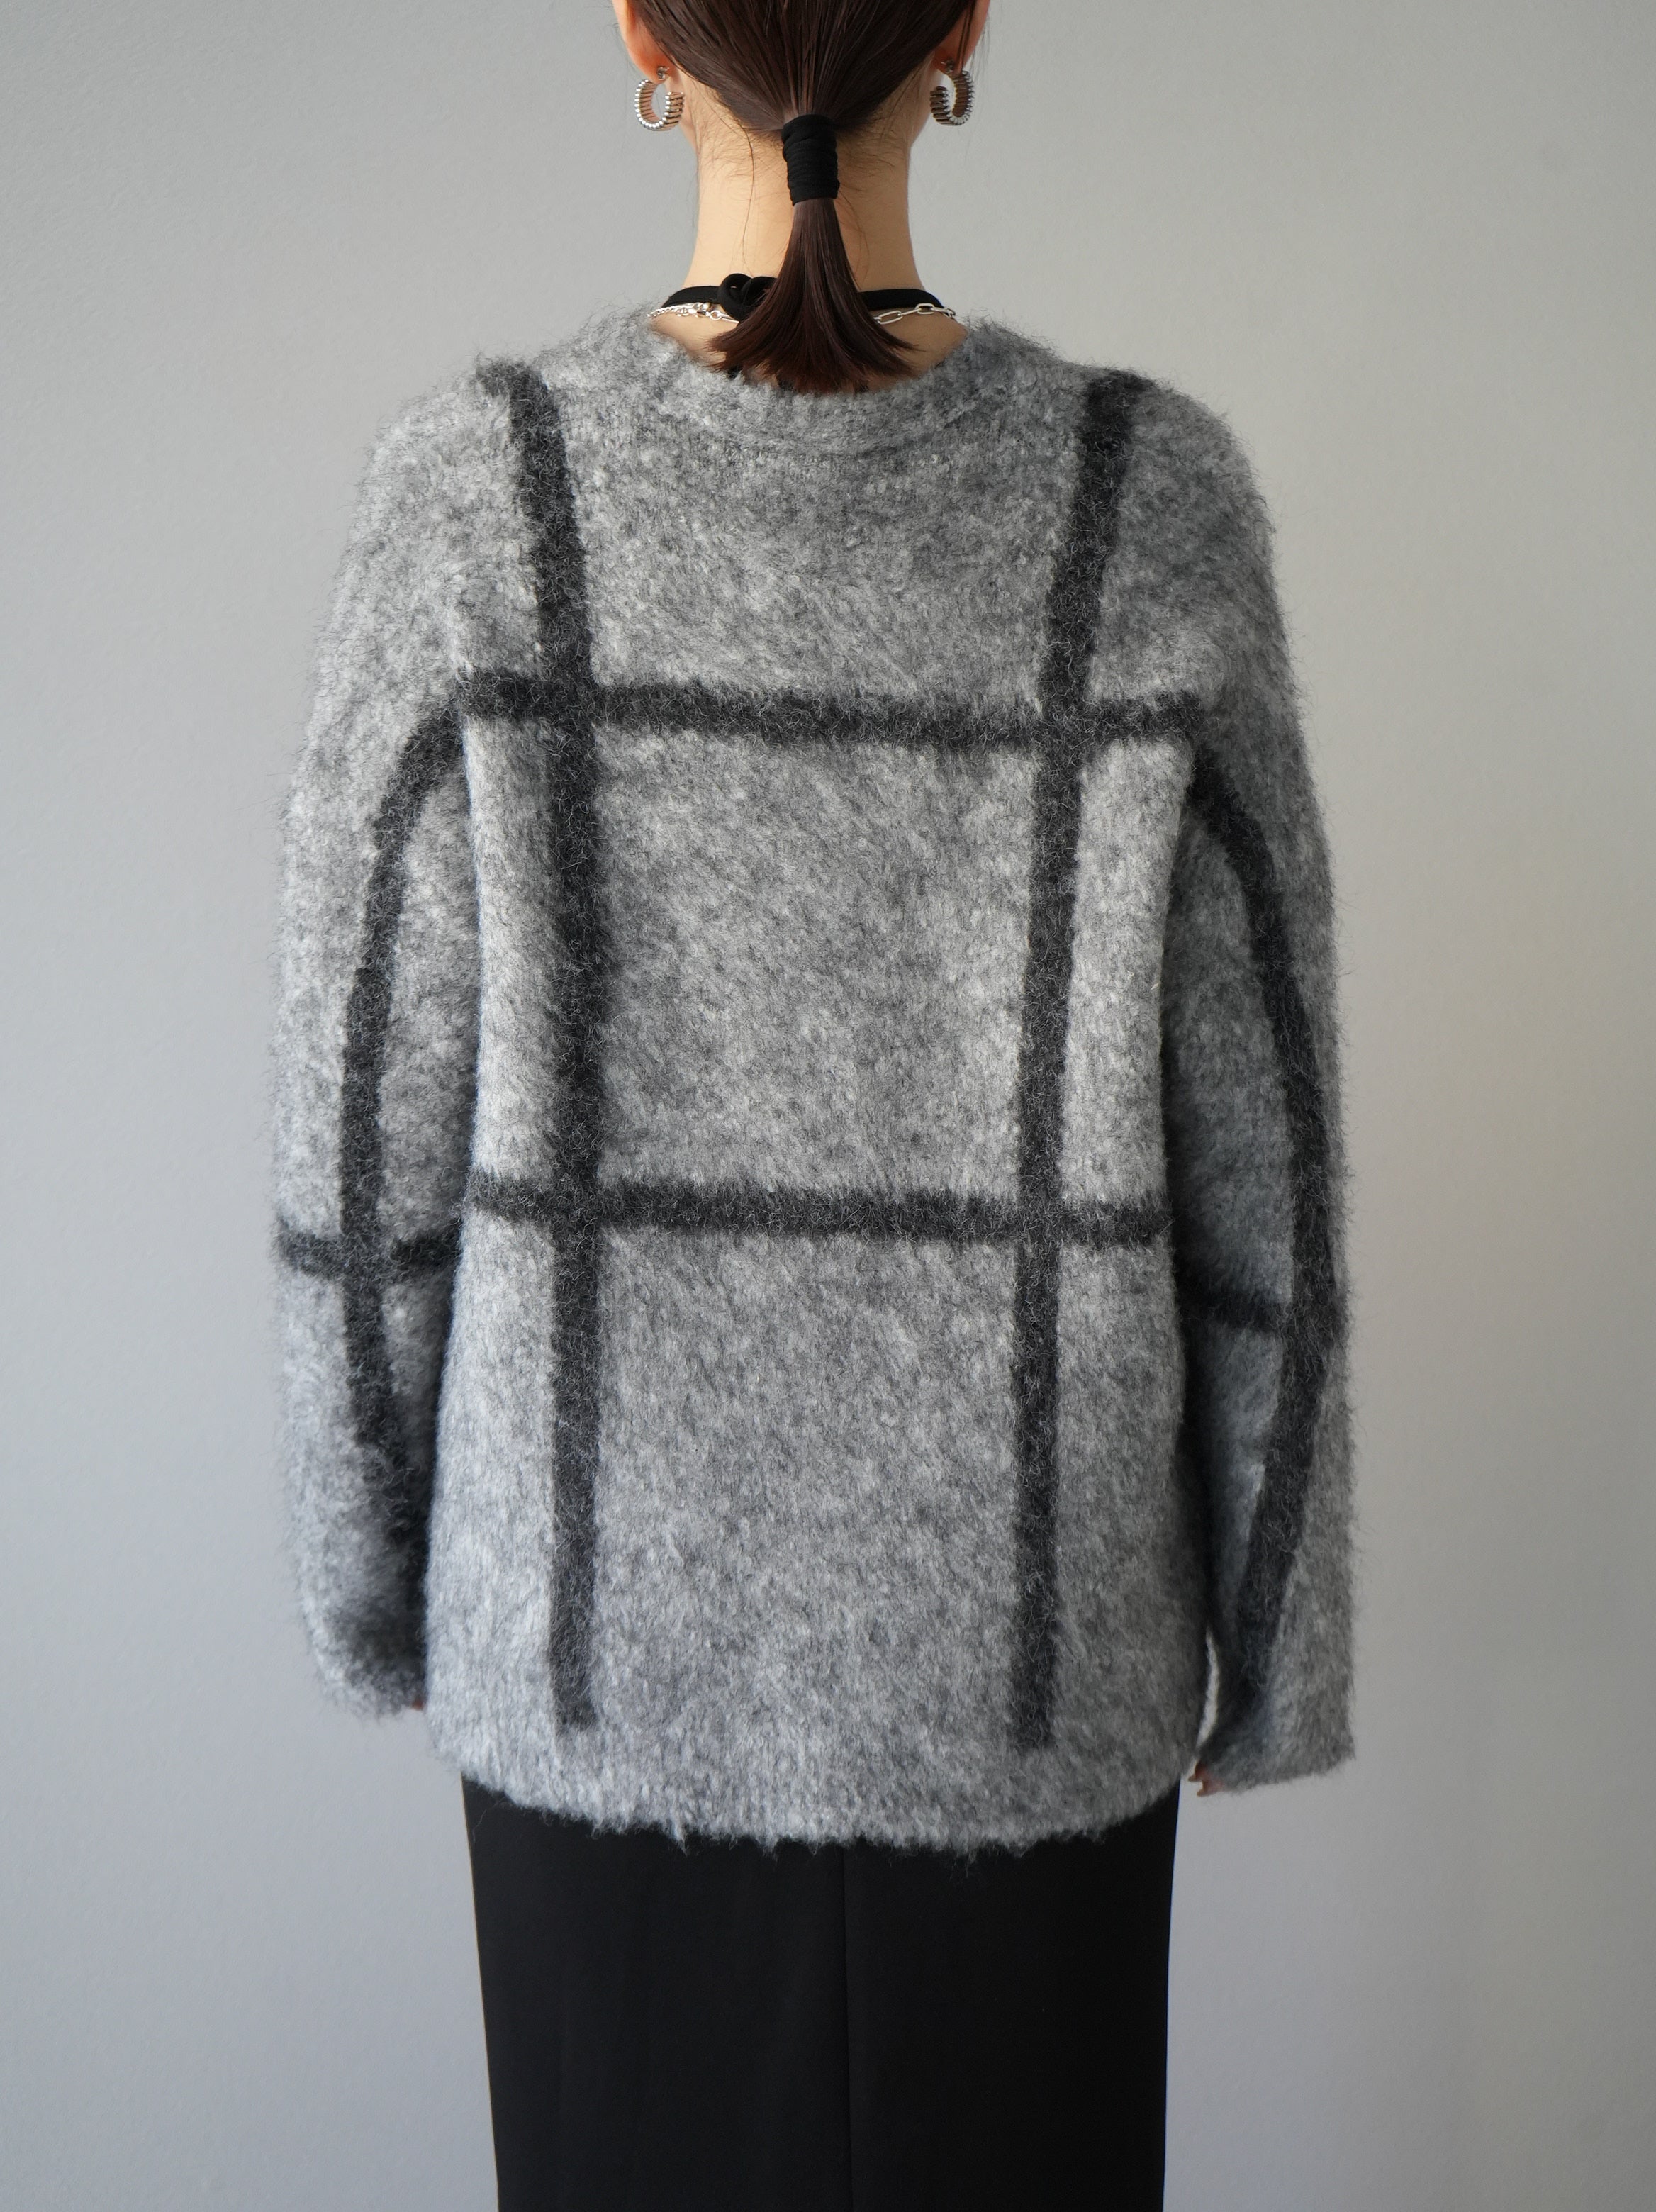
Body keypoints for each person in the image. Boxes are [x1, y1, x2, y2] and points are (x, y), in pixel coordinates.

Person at [268, 1, 1356, 2204]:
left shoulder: (481, 495)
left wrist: (363, 1576)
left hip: (598, 1662)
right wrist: (1277, 1634)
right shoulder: (1147, 505)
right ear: (960, 32)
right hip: (1029, 1668)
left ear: (638, 32)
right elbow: (1266, 1155)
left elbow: (362, 1115)